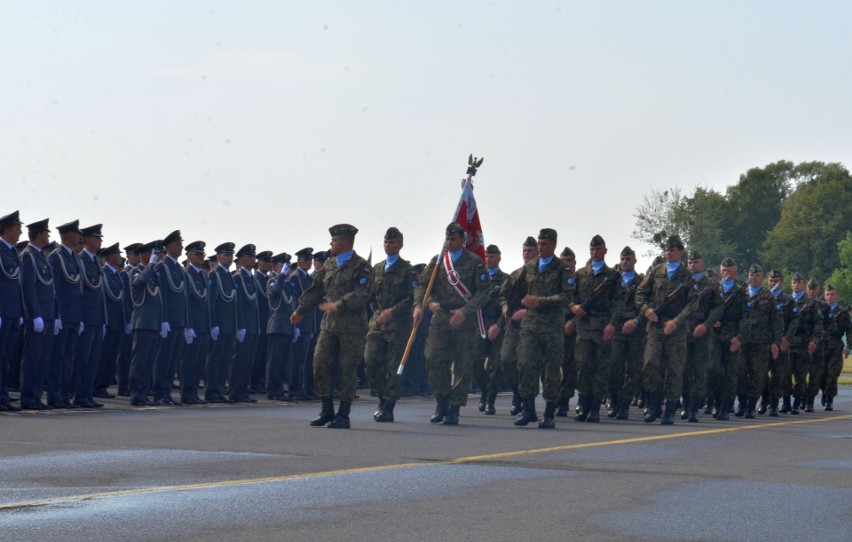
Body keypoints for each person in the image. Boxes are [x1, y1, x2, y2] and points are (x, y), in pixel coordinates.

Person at [291, 224, 372, 429]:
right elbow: (315, 290)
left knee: (347, 369)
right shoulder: (328, 265)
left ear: (345, 242)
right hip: (329, 326)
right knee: (320, 362)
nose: (331, 244)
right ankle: (327, 410)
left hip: (352, 328)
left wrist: (339, 304)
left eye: (334, 240)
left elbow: (363, 294)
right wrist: (300, 310)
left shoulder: (361, 266)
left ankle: (343, 415)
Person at [413, 222, 489, 426]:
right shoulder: (438, 261)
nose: (450, 242)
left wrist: (466, 311)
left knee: (463, 365)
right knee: (433, 359)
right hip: (441, 317)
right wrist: (423, 304)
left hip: (464, 319)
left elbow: (484, 291)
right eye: (447, 239)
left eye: (454, 239)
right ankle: (442, 402)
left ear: (463, 240)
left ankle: (454, 408)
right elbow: (423, 285)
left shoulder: (474, 262)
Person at [635, 234, 698, 425]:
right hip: (656, 325)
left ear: (681, 252)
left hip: (676, 329)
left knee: (674, 369)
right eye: (667, 250)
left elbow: (693, 303)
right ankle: (654, 404)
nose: (669, 253)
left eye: (673, 250)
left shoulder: (687, 276)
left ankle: (670, 409)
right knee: (650, 364)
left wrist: (676, 322)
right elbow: (640, 294)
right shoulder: (656, 271)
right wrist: (647, 311)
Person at [513, 228, 572, 429]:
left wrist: (540, 301)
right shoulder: (529, 266)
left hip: (552, 326)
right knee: (525, 364)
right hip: (530, 324)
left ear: (553, 245)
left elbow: (566, 297)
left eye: (545, 244)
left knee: (551, 369)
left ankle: (549, 413)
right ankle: (528, 409)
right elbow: (514, 288)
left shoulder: (562, 269)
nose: (540, 247)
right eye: (539, 244)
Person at [365, 227, 415, 422]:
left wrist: (392, 312)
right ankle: (381, 397)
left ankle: (388, 406)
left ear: (401, 244)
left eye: (392, 242)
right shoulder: (376, 268)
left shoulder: (407, 270)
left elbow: (411, 297)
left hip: (398, 325)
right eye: (386, 242)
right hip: (377, 323)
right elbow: (368, 293)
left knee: (395, 367)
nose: (388, 245)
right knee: (370, 362)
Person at [731, 264, 782, 418]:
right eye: (752, 275)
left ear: (762, 278)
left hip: (761, 343)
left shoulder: (769, 297)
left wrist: (775, 342)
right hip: (742, 341)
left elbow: (777, 322)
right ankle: (742, 403)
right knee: (740, 373)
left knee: (757, 374)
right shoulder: (740, 294)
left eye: (758, 275)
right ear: (748, 276)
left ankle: (751, 406)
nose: (754, 278)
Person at [679, 250, 723, 422]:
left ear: (703, 264)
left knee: (699, 371)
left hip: (702, 332)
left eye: (696, 262)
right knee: (683, 369)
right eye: (690, 262)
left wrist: (706, 325)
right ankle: (685, 402)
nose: (692, 265)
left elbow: (718, 308)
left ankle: (694, 407)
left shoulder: (710, 285)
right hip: (683, 331)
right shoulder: (681, 282)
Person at [18, 218, 56, 411]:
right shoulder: (28, 256)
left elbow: (50, 289)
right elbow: (28, 288)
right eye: (46, 233)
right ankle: (28, 396)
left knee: (43, 358)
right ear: (39, 234)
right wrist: (35, 314)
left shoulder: (40, 256)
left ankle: (36, 395)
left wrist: (54, 315)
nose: (48, 236)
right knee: (33, 357)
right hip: (37, 316)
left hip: (48, 315)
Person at [498, 236, 539, 416]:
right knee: (507, 360)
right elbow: (502, 294)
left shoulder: (542, 275)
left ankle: (527, 401)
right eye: (524, 250)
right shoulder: (516, 275)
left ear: (537, 252)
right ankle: (517, 393)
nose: (526, 254)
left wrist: (527, 312)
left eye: (530, 250)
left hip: (535, 326)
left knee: (526, 364)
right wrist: (505, 308)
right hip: (514, 325)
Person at [48, 220, 85, 409]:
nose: (79, 237)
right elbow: (55, 290)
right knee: (58, 358)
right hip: (63, 316)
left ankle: (64, 395)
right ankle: (55, 396)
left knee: (68, 358)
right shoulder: (56, 257)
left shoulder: (73, 257)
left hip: (74, 316)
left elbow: (78, 288)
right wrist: (57, 316)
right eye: (77, 233)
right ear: (68, 235)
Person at [609, 246, 645, 420]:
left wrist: (637, 321)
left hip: (636, 331)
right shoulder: (612, 280)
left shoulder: (642, 281)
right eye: (622, 259)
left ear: (635, 261)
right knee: (614, 367)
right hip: (616, 329)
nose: (625, 262)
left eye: (628, 259)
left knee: (633, 369)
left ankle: (625, 403)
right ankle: (614, 400)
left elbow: (648, 303)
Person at [152, 230, 188, 405]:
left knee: (173, 360)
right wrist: (163, 319)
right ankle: (160, 392)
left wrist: (187, 322)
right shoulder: (162, 266)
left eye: (181, 244)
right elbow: (162, 296)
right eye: (177, 244)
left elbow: (184, 298)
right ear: (168, 247)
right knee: (164, 359)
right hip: (169, 321)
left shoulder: (179, 268)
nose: (181, 247)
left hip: (179, 321)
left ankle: (166, 391)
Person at [128, 240, 164, 407]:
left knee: (149, 361)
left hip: (153, 323)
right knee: (140, 360)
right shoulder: (136, 271)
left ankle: (143, 392)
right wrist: (150, 265)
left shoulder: (154, 274)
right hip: (142, 323)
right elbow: (140, 283)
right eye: (154, 254)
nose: (157, 257)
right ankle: (136, 394)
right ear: (146, 256)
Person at [781, 273, 822, 415]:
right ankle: (786, 402)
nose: (796, 284)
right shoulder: (786, 300)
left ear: (804, 285)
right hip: (787, 343)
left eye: (799, 282)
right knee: (785, 374)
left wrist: (814, 340)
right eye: (794, 282)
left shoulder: (811, 303)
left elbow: (817, 324)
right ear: (791, 284)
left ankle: (797, 403)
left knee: (800, 375)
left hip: (803, 344)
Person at [477, 244, 508, 415]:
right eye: (487, 256)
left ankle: (491, 399)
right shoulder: (479, 277)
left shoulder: (506, 279)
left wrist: (498, 325)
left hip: (498, 324)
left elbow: (507, 305)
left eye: (492, 256)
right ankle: (484, 389)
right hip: (480, 323)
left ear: (499, 258)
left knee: (496, 365)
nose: (489, 259)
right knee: (475, 361)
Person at [206, 242, 238, 403]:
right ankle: (211, 391)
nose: (230, 258)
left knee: (225, 361)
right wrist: (213, 324)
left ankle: (218, 390)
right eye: (226, 255)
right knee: (215, 360)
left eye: (231, 255)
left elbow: (233, 304)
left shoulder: (228, 276)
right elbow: (211, 302)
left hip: (230, 326)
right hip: (220, 325)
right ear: (218, 257)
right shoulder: (215, 274)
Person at [0, 211, 25, 411]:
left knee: (7, 356)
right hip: (3, 312)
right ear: (6, 230)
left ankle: (4, 394)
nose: (20, 232)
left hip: (13, 312)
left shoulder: (12, 252)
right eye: (17, 228)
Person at [230, 244, 260, 403]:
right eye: (249, 256)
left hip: (253, 325)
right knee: (240, 360)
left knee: (248, 360)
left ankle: (243, 391)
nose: (253, 259)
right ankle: (236, 391)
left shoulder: (250, 278)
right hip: (244, 326)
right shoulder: (238, 277)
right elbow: (238, 304)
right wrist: (240, 326)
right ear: (241, 260)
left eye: (253, 256)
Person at [95, 242, 126, 400]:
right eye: (118, 255)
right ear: (110, 257)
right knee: (104, 356)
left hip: (117, 323)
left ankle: (104, 385)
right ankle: (98, 385)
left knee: (111, 356)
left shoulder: (116, 275)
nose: (120, 258)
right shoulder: (104, 273)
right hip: (108, 321)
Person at [181, 241, 210, 405]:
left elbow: (207, 303)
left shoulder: (202, 275)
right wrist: (189, 325)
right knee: (189, 362)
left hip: (204, 325)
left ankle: (193, 393)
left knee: (199, 362)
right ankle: (187, 393)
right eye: (198, 255)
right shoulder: (187, 274)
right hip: (194, 325)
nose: (201, 258)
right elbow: (187, 302)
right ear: (190, 257)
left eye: (203, 255)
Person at [265, 252, 297, 401]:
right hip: (277, 326)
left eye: (288, 267)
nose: (287, 269)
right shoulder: (272, 281)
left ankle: (280, 389)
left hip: (288, 327)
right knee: (275, 361)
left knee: (283, 362)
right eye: (284, 266)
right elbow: (275, 292)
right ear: (276, 268)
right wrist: (281, 276)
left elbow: (292, 304)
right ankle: (272, 390)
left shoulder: (289, 284)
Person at [819, 284, 849, 411]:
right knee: (821, 374)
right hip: (821, 346)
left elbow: (850, 331)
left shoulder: (843, 313)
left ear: (837, 296)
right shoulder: (820, 310)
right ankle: (824, 392)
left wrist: (849, 346)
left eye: (832, 294)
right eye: (827, 294)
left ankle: (830, 399)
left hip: (836, 346)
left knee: (832, 374)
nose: (829, 297)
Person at [250, 250, 274, 394]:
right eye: (264, 261)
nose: (267, 264)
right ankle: (254, 382)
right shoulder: (257, 279)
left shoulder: (268, 280)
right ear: (258, 263)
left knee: (264, 354)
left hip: (268, 322)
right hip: (259, 320)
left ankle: (259, 381)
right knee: (257, 355)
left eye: (269, 262)